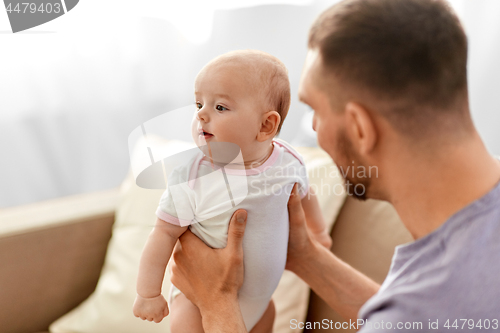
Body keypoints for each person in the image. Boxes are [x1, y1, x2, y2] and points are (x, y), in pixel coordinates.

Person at [169, 0, 500, 332]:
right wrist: (306, 256)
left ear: (360, 128)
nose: (313, 127)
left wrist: (216, 301)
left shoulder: (419, 307)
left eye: (316, 110)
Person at [132, 50, 332, 332]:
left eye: (220, 107)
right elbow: (163, 234)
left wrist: (318, 233)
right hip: (196, 302)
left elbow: (303, 193)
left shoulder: (288, 162)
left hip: (262, 302)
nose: (201, 114)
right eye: (199, 103)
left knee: (267, 318)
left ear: (266, 125)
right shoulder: (192, 176)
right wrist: (148, 293)